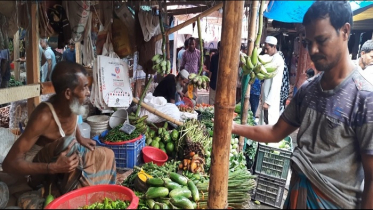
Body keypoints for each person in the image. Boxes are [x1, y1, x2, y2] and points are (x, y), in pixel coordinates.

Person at [232, 1, 373, 209]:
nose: (313, 50)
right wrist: (233, 127)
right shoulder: (308, 90)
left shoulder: (364, 99)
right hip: (298, 196)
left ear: (345, 31)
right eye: (308, 42)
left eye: (322, 40)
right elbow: (275, 132)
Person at [3, 61, 116, 194]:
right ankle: (78, 195)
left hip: (62, 162)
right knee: (68, 144)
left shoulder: (71, 104)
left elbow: (71, 124)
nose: (88, 92)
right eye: (84, 87)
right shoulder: (43, 116)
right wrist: (52, 168)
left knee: (108, 155)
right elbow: (8, 164)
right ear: (68, 93)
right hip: (40, 173)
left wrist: (80, 139)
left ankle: (100, 192)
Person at [259, 36, 284, 125]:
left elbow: (276, 84)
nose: (265, 51)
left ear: (274, 47)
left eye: (267, 49)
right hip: (266, 97)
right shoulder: (271, 58)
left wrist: (268, 102)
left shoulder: (278, 60)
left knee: (268, 123)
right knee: (264, 124)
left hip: (270, 102)